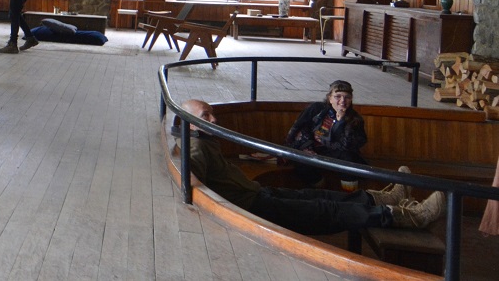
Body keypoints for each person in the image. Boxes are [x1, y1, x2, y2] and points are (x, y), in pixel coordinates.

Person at [178, 99, 445, 235]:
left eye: (212, 112)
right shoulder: (196, 146)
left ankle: (387, 198)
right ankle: (408, 217)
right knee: (324, 209)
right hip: (251, 206)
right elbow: (186, 175)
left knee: (321, 195)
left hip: (257, 192)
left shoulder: (202, 139)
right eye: (206, 116)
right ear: (189, 122)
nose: (214, 118)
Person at [286, 80, 367, 184]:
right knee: (302, 162)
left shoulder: (355, 119)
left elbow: (346, 146)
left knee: (349, 162)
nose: (342, 101)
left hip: (338, 153)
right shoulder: (317, 109)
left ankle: (350, 195)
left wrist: (341, 122)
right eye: (338, 96)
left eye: (347, 97)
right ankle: (318, 189)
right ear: (330, 98)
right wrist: (307, 148)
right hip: (313, 149)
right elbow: (300, 128)